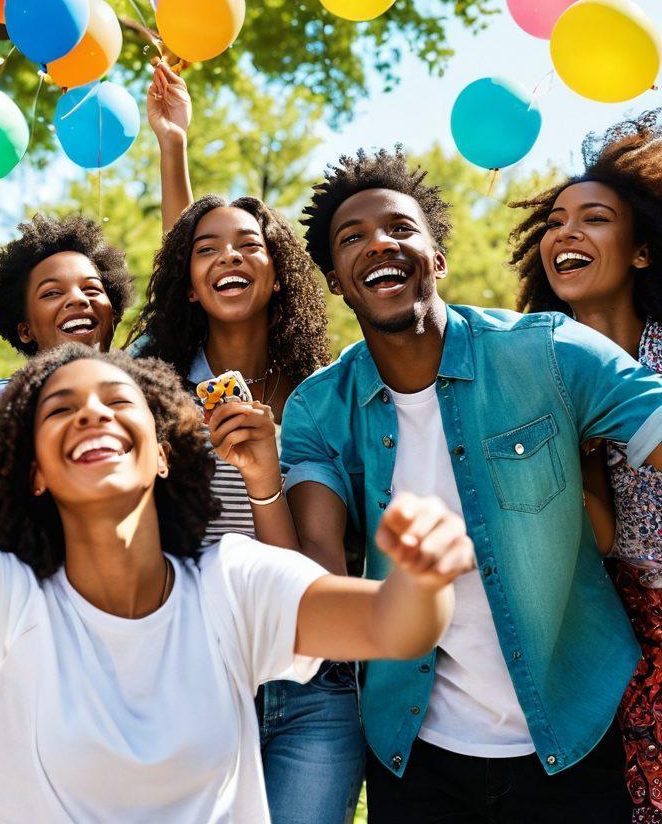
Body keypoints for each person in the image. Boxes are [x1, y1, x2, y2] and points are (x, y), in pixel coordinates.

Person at [0, 219, 477, 823]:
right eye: (59, 408)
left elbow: (396, 624)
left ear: (164, 452)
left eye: (119, 400)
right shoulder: (4, 599)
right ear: (34, 473)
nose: (92, 415)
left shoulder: (233, 584)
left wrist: (424, 577)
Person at [284, 146, 662, 824]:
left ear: (437, 259)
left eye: (400, 229)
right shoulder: (318, 407)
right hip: (417, 755)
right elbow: (316, 554)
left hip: (573, 732)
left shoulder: (548, 353)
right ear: (338, 282)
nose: (378, 243)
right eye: (352, 238)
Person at [136, 64, 365, 823]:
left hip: (313, 685)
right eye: (208, 251)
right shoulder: (160, 381)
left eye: (248, 246)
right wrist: (174, 145)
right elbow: (183, 239)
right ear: (189, 282)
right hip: (194, 668)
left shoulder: (327, 389)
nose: (228, 258)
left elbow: (316, 562)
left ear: (279, 272)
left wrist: (264, 477)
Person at [510, 109, 662, 822]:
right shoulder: (549, 380)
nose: (564, 232)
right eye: (556, 220)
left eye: (593, 218)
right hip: (629, 644)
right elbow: (600, 536)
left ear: (640, 251)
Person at [0, 213, 134, 451]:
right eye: (51, 293)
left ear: (114, 315)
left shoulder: (152, 394)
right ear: (26, 330)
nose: (78, 299)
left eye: (91, 288)